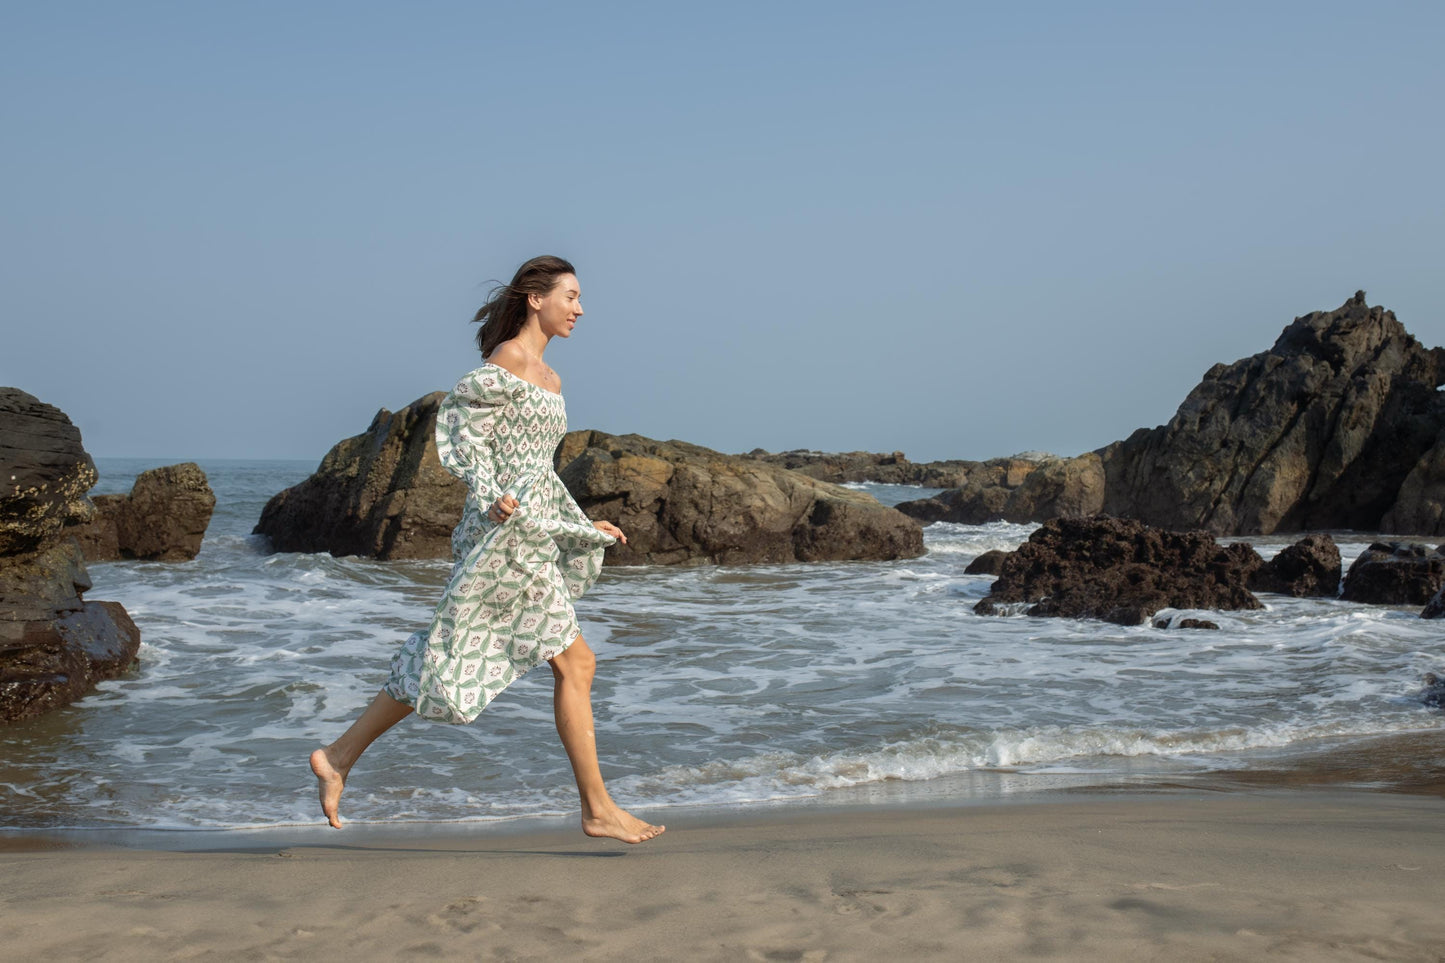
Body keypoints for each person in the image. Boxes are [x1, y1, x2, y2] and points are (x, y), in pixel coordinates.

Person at [308, 255, 664, 844]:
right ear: (535, 299)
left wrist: (582, 523)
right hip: (506, 533)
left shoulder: (551, 379)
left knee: (451, 648)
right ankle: (598, 809)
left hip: (532, 528)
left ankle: (339, 755)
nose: (579, 308)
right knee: (573, 662)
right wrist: (490, 493)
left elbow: (540, 472)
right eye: (570, 296)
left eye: (578, 298)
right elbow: (459, 433)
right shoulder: (505, 364)